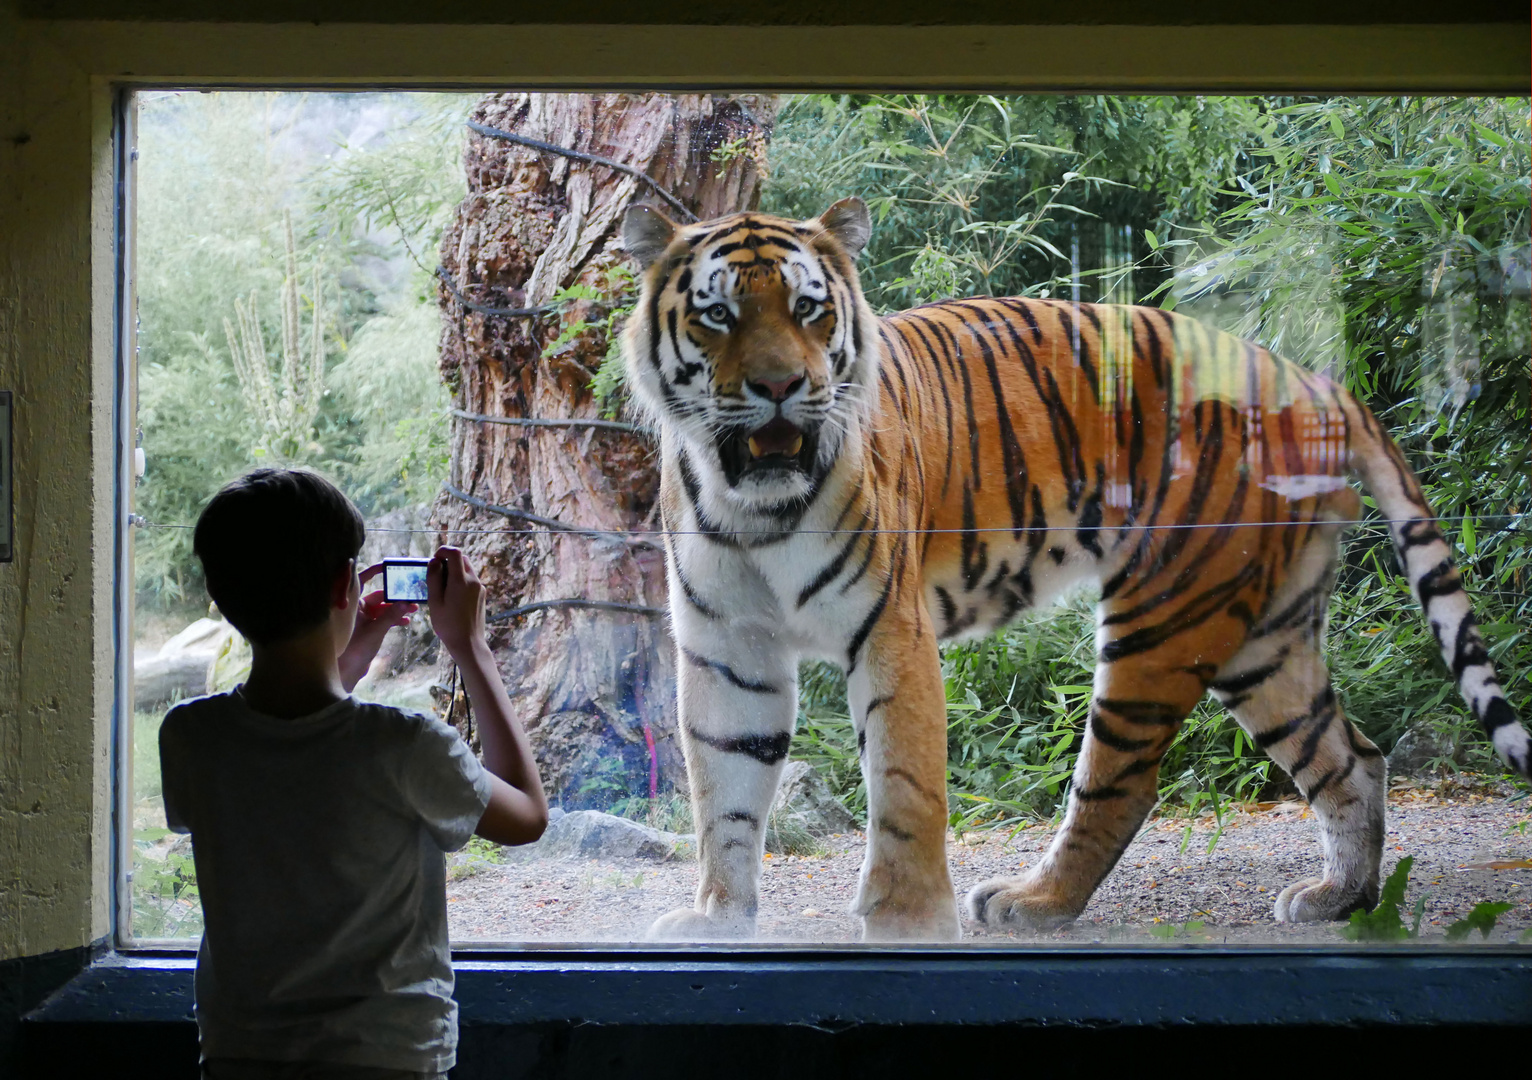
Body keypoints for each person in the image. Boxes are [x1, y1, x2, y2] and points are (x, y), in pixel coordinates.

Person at [159, 468, 547, 1080]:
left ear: (220, 592)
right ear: (347, 582)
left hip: (240, 1056)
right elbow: (527, 815)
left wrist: (350, 653)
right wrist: (469, 645)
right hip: (386, 1058)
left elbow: (297, 742)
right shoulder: (407, 745)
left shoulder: (188, 737)